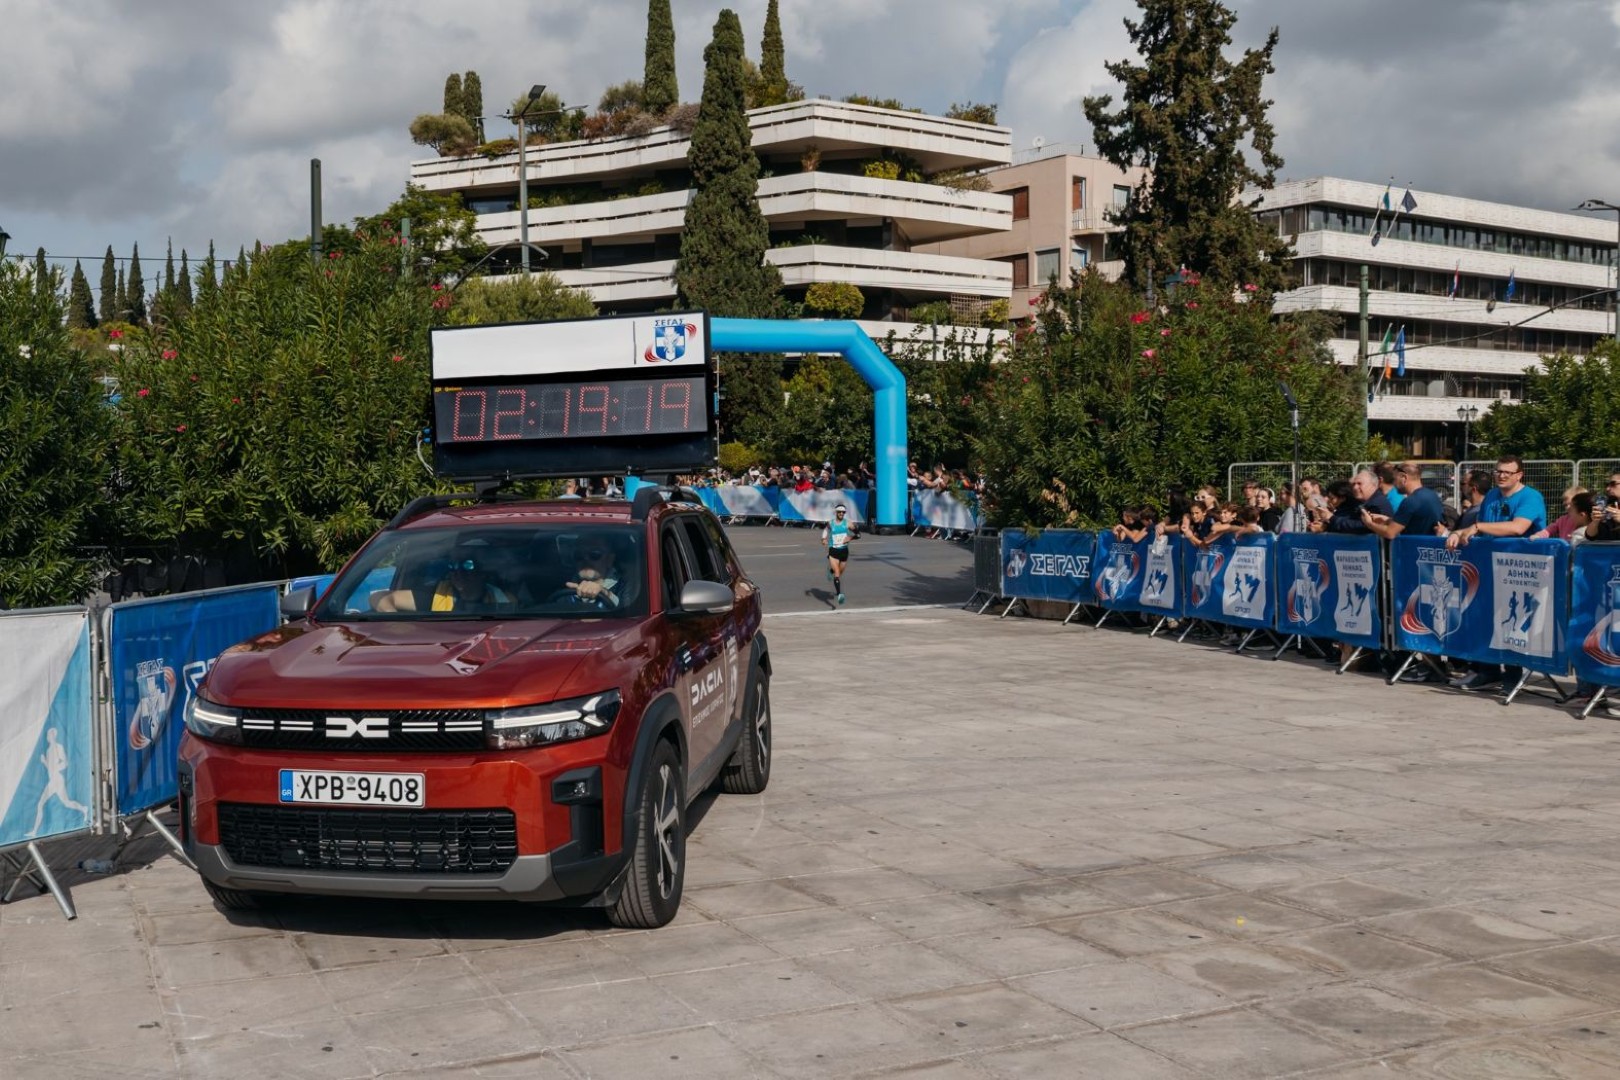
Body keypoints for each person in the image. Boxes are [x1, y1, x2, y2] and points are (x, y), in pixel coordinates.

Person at [1446, 455, 1547, 691]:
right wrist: (1457, 533)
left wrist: (1477, 527)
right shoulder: (1491, 496)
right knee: (1483, 619)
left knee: (1513, 621)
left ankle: (1513, 676)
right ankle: (1487, 671)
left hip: (1521, 572)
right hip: (1489, 568)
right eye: (1498, 471)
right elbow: (1478, 530)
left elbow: (1517, 527)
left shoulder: (1530, 497)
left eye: (1507, 472)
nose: (1501, 475)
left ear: (1519, 475)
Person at [1362, 461, 1445, 540]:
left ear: (1403, 477)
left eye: (1394, 479)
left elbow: (1390, 533)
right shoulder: (1432, 495)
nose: (1393, 484)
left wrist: (1369, 524)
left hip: (1412, 551)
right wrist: (1387, 519)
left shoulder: (1410, 501)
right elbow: (1416, 523)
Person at [431, 553, 513, 613]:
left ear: (482, 573)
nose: (459, 573)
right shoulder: (439, 592)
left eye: (468, 566)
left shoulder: (503, 599)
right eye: (454, 566)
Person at [562, 534, 622, 609]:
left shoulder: (626, 587)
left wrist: (606, 594)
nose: (586, 559)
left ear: (609, 560)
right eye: (579, 555)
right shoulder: (563, 589)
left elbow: (630, 614)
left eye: (594, 554)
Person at [822, 503, 857, 605]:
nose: (841, 513)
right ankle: (839, 594)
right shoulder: (831, 523)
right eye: (839, 512)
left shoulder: (848, 524)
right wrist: (823, 539)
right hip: (833, 550)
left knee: (839, 573)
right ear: (836, 512)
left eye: (843, 512)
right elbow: (825, 530)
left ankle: (831, 570)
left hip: (844, 552)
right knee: (837, 572)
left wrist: (851, 537)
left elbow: (858, 534)